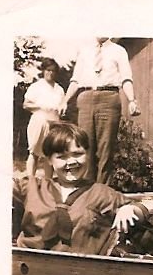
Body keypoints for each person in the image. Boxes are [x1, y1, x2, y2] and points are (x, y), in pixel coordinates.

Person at [13, 123, 150, 255]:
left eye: (78, 154)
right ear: (49, 160)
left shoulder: (100, 193)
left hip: (80, 271)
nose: (71, 162)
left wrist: (130, 209)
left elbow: (143, 211)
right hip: (29, 266)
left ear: (87, 154)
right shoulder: (32, 187)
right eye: (62, 157)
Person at [59, 37, 140, 185]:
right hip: (85, 96)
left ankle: (102, 191)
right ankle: (86, 190)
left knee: (106, 148)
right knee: (84, 146)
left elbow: (126, 78)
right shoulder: (85, 50)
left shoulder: (118, 51)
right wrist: (65, 101)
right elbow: (75, 80)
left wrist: (131, 100)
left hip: (109, 97)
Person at [23, 57, 65, 178]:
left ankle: (48, 182)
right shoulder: (36, 86)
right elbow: (26, 104)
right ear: (43, 71)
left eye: (53, 71)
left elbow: (62, 107)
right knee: (34, 152)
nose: (50, 73)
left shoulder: (59, 89)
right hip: (39, 120)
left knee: (50, 154)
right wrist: (41, 107)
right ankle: (31, 180)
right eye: (48, 70)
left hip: (54, 123)